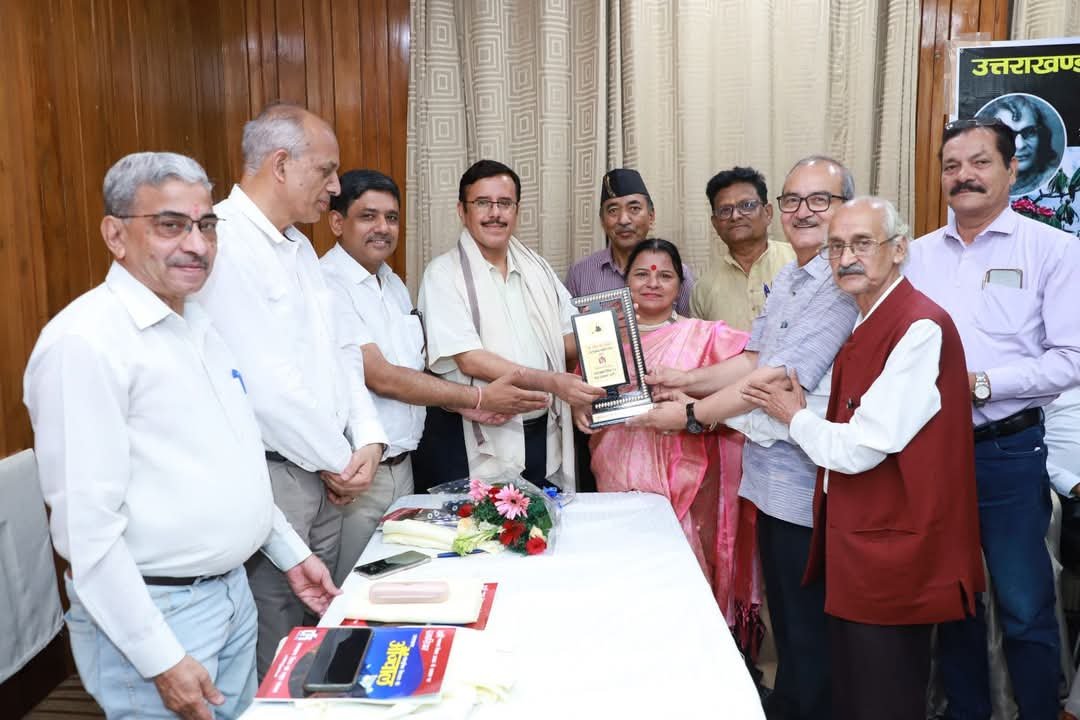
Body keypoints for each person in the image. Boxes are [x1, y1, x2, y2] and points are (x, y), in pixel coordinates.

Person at [23, 152, 339, 719]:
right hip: (159, 612)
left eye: (206, 225)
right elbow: (87, 533)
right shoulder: (86, 343)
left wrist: (291, 554)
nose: (197, 245)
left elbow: (230, 465)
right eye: (170, 225)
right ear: (115, 235)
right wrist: (160, 658)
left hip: (231, 594)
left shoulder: (197, 324)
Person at [630, 156, 859, 720]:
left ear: (845, 209)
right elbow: (752, 358)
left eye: (820, 200)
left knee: (810, 630)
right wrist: (684, 378)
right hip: (768, 478)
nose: (803, 212)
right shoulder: (791, 278)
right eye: (793, 200)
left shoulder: (840, 283)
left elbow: (778, 378)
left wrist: (691, 415)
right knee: (788, 618)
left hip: (811, 484)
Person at [742, 197, 984, 720]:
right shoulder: (866, 319)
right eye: (836, 246)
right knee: (852, 694)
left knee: (883, 698)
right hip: (859, 544)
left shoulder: (919, 326)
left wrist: (793, 417)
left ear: (898, 250)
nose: (846, 257)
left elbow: (858, 448)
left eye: (861, 244)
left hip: (894, 550)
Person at [197, 103, 388, 678]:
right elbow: (263, 386)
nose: (334, 187)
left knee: (315, 625)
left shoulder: (300, 247)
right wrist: (340, 460)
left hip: (327, 472)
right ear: (280, 165)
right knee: (277, 631)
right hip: (276, 474)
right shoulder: (224, 243)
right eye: (326, 171)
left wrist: (368, 439)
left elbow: (342, 351)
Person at [905, 117, 1080, 720]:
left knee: (1024, 603)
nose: (965, 176)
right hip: (931, 452)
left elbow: (1071, 358)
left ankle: (1038, 711)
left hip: (1007, 451)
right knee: (955, 600)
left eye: (980, 162)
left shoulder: (1053, 250)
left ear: (1012, 169)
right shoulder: (916, 256)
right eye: (952, 166)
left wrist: (981, 384)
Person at [320, 169, 548, 582]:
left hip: (404, 466)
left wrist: (460, 404)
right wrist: (477, 398)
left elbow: (417, 369)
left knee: (401, 583)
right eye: (368, 216)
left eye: (391, 217)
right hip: (356, 476)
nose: (383, 227)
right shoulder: (326, 285)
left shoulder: (391, 283)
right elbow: (381, 376)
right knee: (353, 588)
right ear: (337, 222)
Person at [574, 238, 760, 646]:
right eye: (642, 274)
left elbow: (757, 364)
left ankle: (692, 651)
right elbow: (581, 389)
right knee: (626, 571)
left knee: (682, 572)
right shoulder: (603, 337)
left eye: (665, 275)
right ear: (625, 283)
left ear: (680, 286)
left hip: (687, 477)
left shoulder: (704, 335)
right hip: (616, 471)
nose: (653, 283)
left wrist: (692, 401)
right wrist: (579, 407)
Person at [416, 159, 604, 491]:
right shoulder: (442, 274)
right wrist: (551, 381)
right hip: (475, 436)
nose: (495, 213)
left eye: (504, 203)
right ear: (462, 210)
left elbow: (564, 340)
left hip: (542, 430)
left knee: (543, 519)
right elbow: (469, 359)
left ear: (517, 210)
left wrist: (608, 329)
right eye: (482, 203)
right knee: (484, 521)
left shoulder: (538, 269)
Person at [565, 168, 695, 315]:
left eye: (634, 208)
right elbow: (568, 327)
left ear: (651, 216)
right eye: (613, 210)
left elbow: (691, 327)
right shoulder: (580, 273)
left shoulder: (678, 273)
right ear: (602, 221)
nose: (623, 220)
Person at [691, 166, 795, 330]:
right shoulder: (703, 289)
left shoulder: (799, 261)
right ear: (715, 224)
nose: (735, 216)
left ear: (768, 213)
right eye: (725, 210)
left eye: (747, 205)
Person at [977, 95, 1061, 197]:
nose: (1020, 145)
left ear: (1041, 135)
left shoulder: (1054, 180)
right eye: (1007, 135)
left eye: (1029, 132)